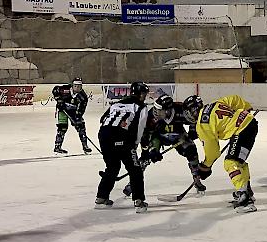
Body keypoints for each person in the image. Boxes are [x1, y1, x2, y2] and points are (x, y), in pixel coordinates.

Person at [183, 94, 259, 213]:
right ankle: (246, 192)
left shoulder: (202, 125)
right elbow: (234, 99)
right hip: (250, 123)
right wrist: (246, 107)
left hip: (242, 130)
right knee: (239, 162)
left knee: (231, 162)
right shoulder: (213, 103)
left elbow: (213, 152)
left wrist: (205, 167)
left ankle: (245, 200)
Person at [122, 94, 205, 197]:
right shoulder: (152, 115)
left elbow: (195, 119)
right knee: (145, 160)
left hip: (179, 136)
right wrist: (149, 151)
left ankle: (196, 178)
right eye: (156, 109)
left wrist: (193, 131)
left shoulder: (180, 109)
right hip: (158, 138)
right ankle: (133, 183)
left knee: (192, 152)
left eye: (160, 110)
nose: (156, 113)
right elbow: (146, 134)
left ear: (168, 110)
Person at [95, 82, 149, 213]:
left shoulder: (116, 104)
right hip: (123, 139)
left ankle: (101, 198)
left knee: (112, 167)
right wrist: (136, 144)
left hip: (104, 137)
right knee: (135, 169)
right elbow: (141, 127)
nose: (145, 97)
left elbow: (102, 120)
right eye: (144, 94)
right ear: (141, 94)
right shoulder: (141, 107)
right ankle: (139, 201)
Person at [53, 77, 91, 154]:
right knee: (62, 127)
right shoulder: (65, 89)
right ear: (72, 85)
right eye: (75, 86)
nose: (77, 88)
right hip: (63, 111)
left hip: (74, 112)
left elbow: (81, 110)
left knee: (81, 127)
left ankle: (85, 146)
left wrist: (77, 118)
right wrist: (58, 99)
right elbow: (55, 90)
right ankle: (57, 146)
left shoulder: (83, 97)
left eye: (79, 86)